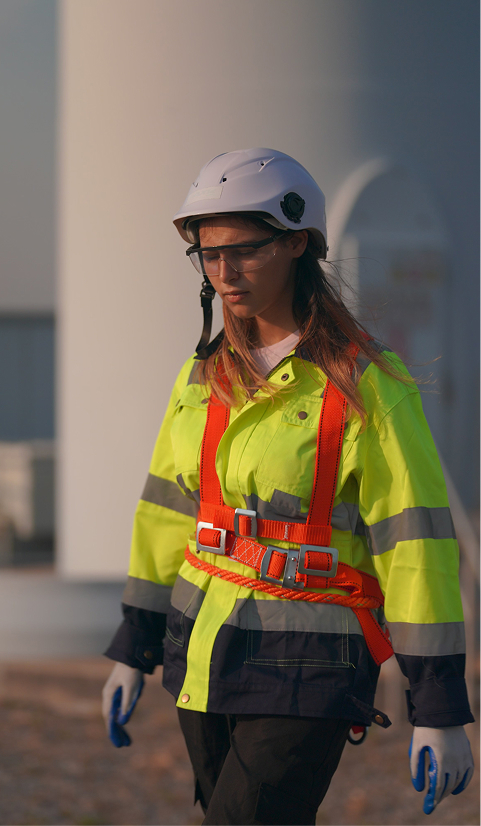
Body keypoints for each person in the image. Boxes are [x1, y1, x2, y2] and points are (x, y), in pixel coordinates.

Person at [102, 148, 474, 825]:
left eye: (244, 250)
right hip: (204, 651)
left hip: (311, 661)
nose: (224, 273)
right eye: (208, 256)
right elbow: (165, 512)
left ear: (298, 243)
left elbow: (415, 547)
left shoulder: (369, 385)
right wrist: (136, 645)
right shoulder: (203, 377)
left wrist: (438, 705)